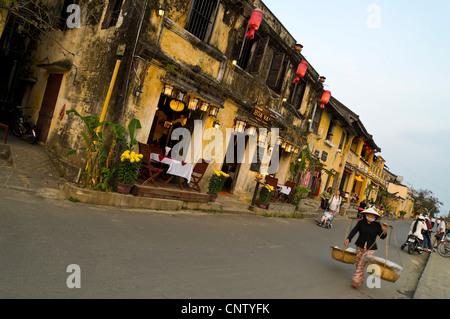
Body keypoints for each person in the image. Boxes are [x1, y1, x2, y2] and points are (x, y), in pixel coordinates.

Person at [344, 208, 388, 288]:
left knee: (362, 262)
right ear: (366, 215)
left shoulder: (377, 225)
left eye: (373, 215)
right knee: (358, 262)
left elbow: (382, 237)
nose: (371, 216)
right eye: (369, 215)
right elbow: (354, 230)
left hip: (370, 247)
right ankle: (360, 279)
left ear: (375, 217)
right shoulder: (361, 222)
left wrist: (384, 230)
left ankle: (356, 281)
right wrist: (348, 238)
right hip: (360, 245)